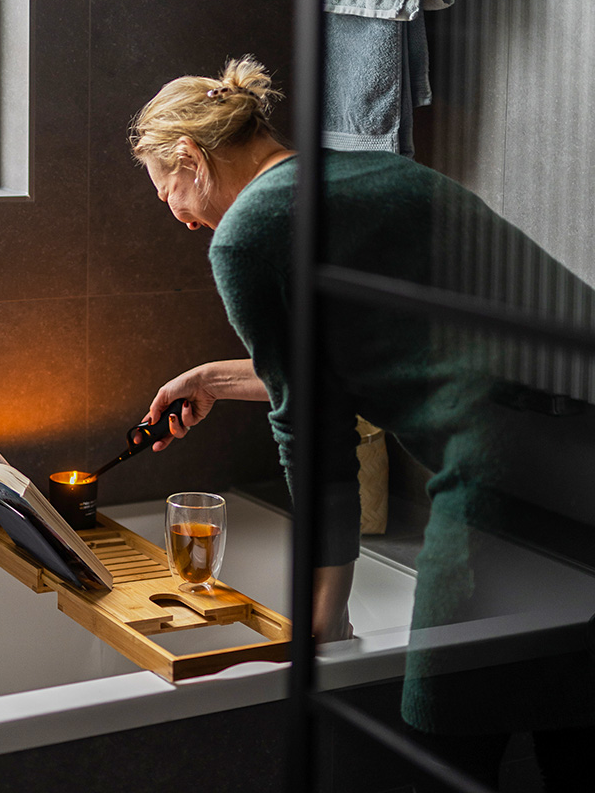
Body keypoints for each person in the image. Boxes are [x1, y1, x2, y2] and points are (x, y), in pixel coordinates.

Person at [130, 56, 595, 789]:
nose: (181, 217)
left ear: (191, 156)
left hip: (507, 478)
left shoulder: (249, 231)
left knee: (442, 748)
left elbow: (311, 429)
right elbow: (377, 352)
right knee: (575, 722)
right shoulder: (374, 174)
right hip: (580, 450)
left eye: (168, 192)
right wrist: (216, 379)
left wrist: (327, 612)